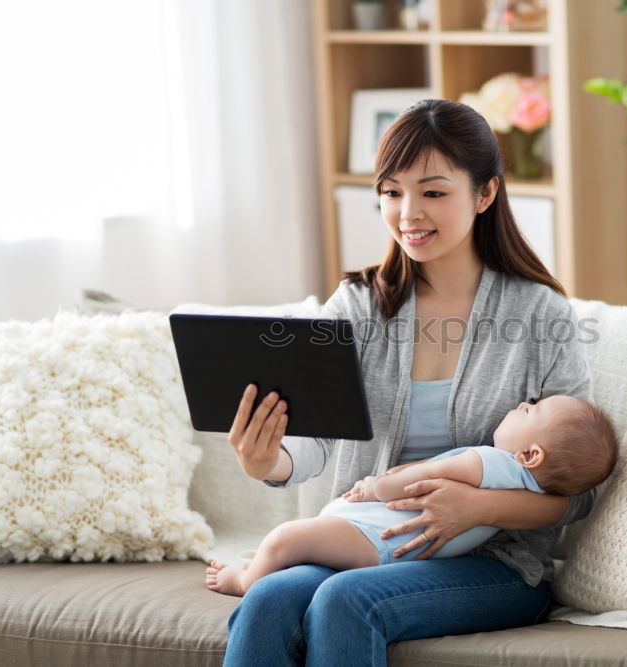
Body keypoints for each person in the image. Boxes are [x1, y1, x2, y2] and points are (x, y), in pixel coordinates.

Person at [221, 98, 600, 666]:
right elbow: (314, 443)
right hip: (371, 542)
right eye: (391, 192)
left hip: (492, 564)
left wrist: (474, 507)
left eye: (434, 192)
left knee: (344, 602)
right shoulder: (356, 306)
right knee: (269, 596)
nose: (408, 213)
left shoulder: (540, 315)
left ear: (485, 194)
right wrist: (265, 462)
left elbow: (574, 494)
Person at [206, 394, 617, 596]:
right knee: (291, 561)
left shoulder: (492, 463)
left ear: (531, 454)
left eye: (532, 410)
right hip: (393, 545)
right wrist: (269, 461)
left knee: (285, 539)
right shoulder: (527, 480)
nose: (525, 402)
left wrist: (376, 486)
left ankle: (244, 580)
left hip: (381, 541)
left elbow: (428, 474)